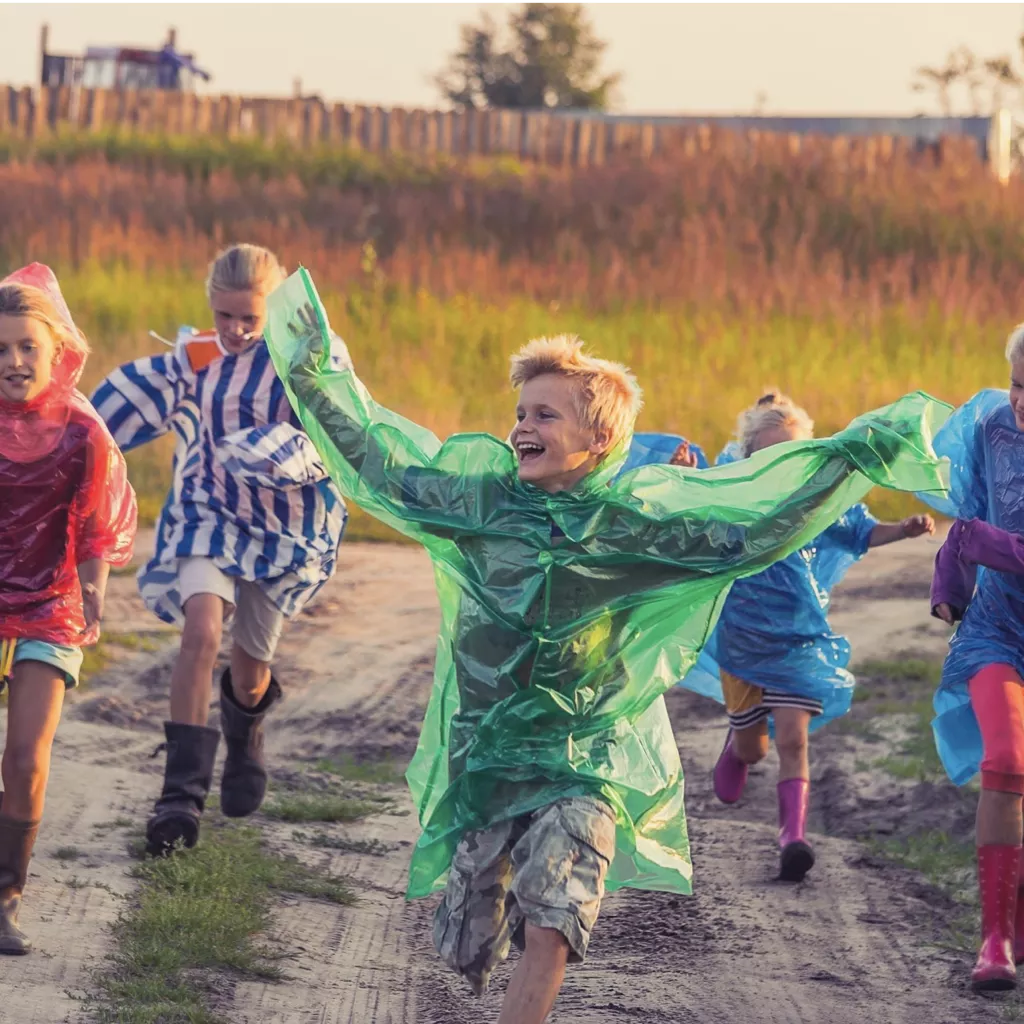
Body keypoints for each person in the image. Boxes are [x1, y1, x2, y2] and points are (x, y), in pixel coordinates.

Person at [262, 267, 950, 1024]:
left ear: (598, 440)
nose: (523, 426)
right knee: (466, 943)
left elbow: (748, 534)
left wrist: (851, 460)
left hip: (584, 755)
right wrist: (313, 372)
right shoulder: (481, 501)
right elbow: (379, 463)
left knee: (556, 916)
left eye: (546, 415)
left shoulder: (629, 528)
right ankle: (488, 897)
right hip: (486, 752)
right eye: (520, 412)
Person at [90, 245, 350, 857]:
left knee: (248, 665)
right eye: (224, 315)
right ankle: (179, 797)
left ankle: (247, 731)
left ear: (271, 312)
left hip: (281, 527)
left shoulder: (301, 361)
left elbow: (337, 428)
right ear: (211, 304)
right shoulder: (196, 361)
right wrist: (66, 443)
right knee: (200, 632)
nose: (234, 331)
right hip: (207, 511)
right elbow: (116, 413)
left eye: (248, 319)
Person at [666, 391, 934, 882]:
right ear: (748, 457)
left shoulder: (818, 499)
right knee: (756, 749)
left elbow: (860, 531)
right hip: (743, 644)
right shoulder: (733, 494)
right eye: (768, 455)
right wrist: (682, 472)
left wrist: (904, 530)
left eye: (790, 453)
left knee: (794, 740)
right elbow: (688, 512)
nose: (780, 465)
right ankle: (739, 748)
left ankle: (793, 838)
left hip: (801, 640)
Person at [0, 264, 137, 953]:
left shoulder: (82, 432)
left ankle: (4, 898)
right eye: (0, 348)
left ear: (57, 351)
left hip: (50, 602)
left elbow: (97, 523)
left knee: (25, 757)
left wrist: (95, 585)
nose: (14, 360)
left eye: (27, 345)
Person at [923, 323, 1024, 992]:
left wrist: (994, 546)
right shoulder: (992, 427)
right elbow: (971, 519)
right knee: (1007, 759)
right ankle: (996, 940)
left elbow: (987, 536)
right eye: (1020, 384)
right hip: (997, 631)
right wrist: (949, 587)